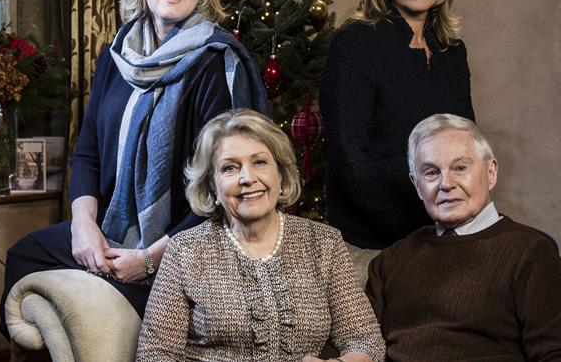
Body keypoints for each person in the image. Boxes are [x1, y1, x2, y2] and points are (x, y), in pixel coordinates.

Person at [0, 0, 270, 342]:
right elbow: (86, 152)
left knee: (164, 308)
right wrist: (83, 226)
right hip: (108, 229)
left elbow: (224, 190)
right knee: (24, 254)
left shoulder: (215, 64)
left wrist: (151, 257)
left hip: (182, 242)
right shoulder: (116, 56)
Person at [136, 109, 385, 362]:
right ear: (212, 185)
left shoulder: (323, 243)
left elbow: (365, 341)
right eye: (230, 168)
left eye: (260, 162)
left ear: (279, 173)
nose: (248, 178)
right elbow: (154, 354)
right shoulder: (185, 250)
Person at [366, 114, 561, 361]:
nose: (446, 184)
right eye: (431, 172)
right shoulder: (392, 260)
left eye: (460, 168)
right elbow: (356, 345)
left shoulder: (531, 253)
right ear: (417, 185)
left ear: (491, 172)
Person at [320, 0, 475, 256]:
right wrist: (428, 229)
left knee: (538, 247)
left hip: (446, 220)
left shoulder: (451, 51)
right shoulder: (356, 44)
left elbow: (466, 147)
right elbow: (350, 162)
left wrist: (468, 218)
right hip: (379, 232)